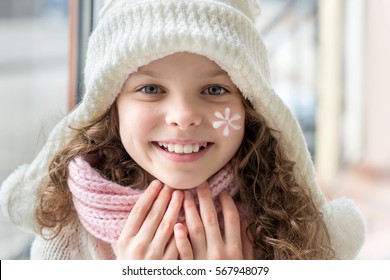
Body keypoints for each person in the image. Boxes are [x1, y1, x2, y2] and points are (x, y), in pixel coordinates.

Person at [0, 0, 364, 260]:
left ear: (252, 106)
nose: (184, 116)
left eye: (215, 90)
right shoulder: (66, 230)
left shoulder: (292, 228)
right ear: (109, 106)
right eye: (150, 89)